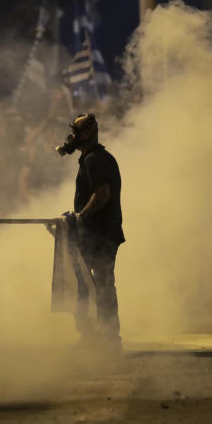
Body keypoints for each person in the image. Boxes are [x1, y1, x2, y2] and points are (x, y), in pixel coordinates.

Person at [57, 113, 124, 350]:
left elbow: (102, 194)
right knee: (95, 285)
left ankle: (103, 338)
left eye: (76, 132)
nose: (72, 137)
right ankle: (102, 337)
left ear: (88, 133)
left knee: (94, 286)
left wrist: (80, 218)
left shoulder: (94, 160)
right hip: (99, 234)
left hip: (99, 235)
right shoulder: (93, 159)